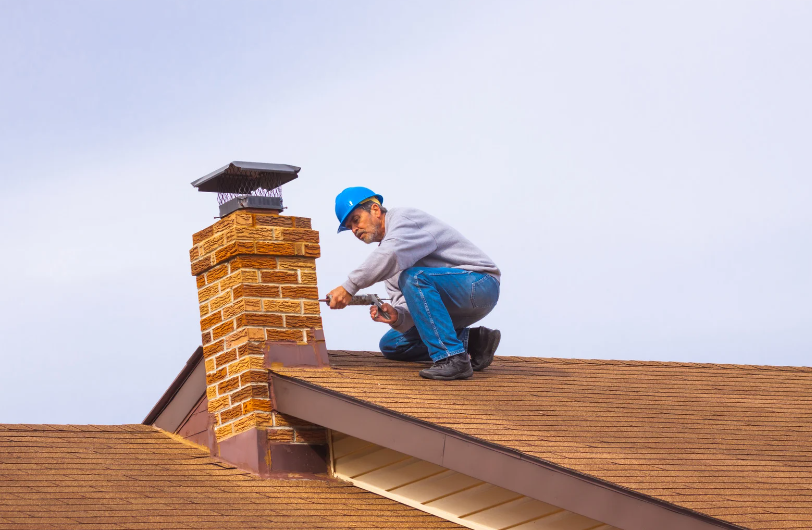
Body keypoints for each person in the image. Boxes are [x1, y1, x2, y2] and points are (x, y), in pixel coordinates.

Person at [325, 187, 501, 380]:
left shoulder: (404, 219)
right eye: (349, 227)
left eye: (356, 220)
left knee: (414, 277)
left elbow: (391, 253)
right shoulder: (389, 264)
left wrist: (349, 287)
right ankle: (475, 341)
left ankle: (452, 358)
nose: (354, 229)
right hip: (451, 306)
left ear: (375, 209)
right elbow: (412, 307)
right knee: (393, 344)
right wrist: (398, 316)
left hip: (480, 285)